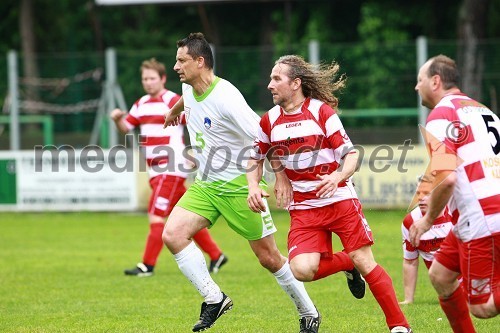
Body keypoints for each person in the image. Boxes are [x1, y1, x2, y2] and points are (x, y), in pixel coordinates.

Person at [162, 32, 326, 333]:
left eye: (181, 61)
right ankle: (214, 299)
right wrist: (174, 112)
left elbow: (262, 136)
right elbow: (185, 102)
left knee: (269, 258)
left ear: (200, 62)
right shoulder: (189, 88)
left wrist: (276, 177)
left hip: (239, 185)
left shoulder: (226, 97)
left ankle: (308, 311)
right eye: (176, 60)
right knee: (172, 235)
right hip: (207, 185)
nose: (176, 67)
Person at [247, 55, 413, 333]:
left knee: (366, 260)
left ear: (296, 83)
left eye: (277, 79)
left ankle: (399, 326)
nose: (269, 85)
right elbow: (256, 157)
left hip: (339, 202)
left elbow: (351, 154)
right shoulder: (269, 120)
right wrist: (258, 184)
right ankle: (347, 262)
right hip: (304, 208)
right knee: (301, 270)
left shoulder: (321, 112)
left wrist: (338, 176)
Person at [110, 57, 227, 277]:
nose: (148, 82)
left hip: (171, 167)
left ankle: (147, 265)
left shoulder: (173, 100)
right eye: (145, 78)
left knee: (156, 215)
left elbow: (194, 123)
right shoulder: (140, 103)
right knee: (184, 217)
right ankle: (216, 254)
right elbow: (126, 128)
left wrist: (191, 153)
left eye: (152, 78)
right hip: (155, 170)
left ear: (162, 78)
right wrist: (117, 119)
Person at [411, 54, 500, 332]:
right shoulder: (482, 109)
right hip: (482, 212)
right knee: (440, 275)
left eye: (420, 80)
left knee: (482, 307)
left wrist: (426, 221)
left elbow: (447, 179)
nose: (416, 86)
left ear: (435, 81)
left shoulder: (441, 114)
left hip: (483, 215)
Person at [399, 174, 455, 305]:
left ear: (440, 194)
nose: (420, 198)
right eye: (418, 193)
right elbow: (410, 262)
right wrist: (408, 300)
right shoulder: (410, 222)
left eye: (427, 193)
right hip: (443, 283)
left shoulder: (455, 214)